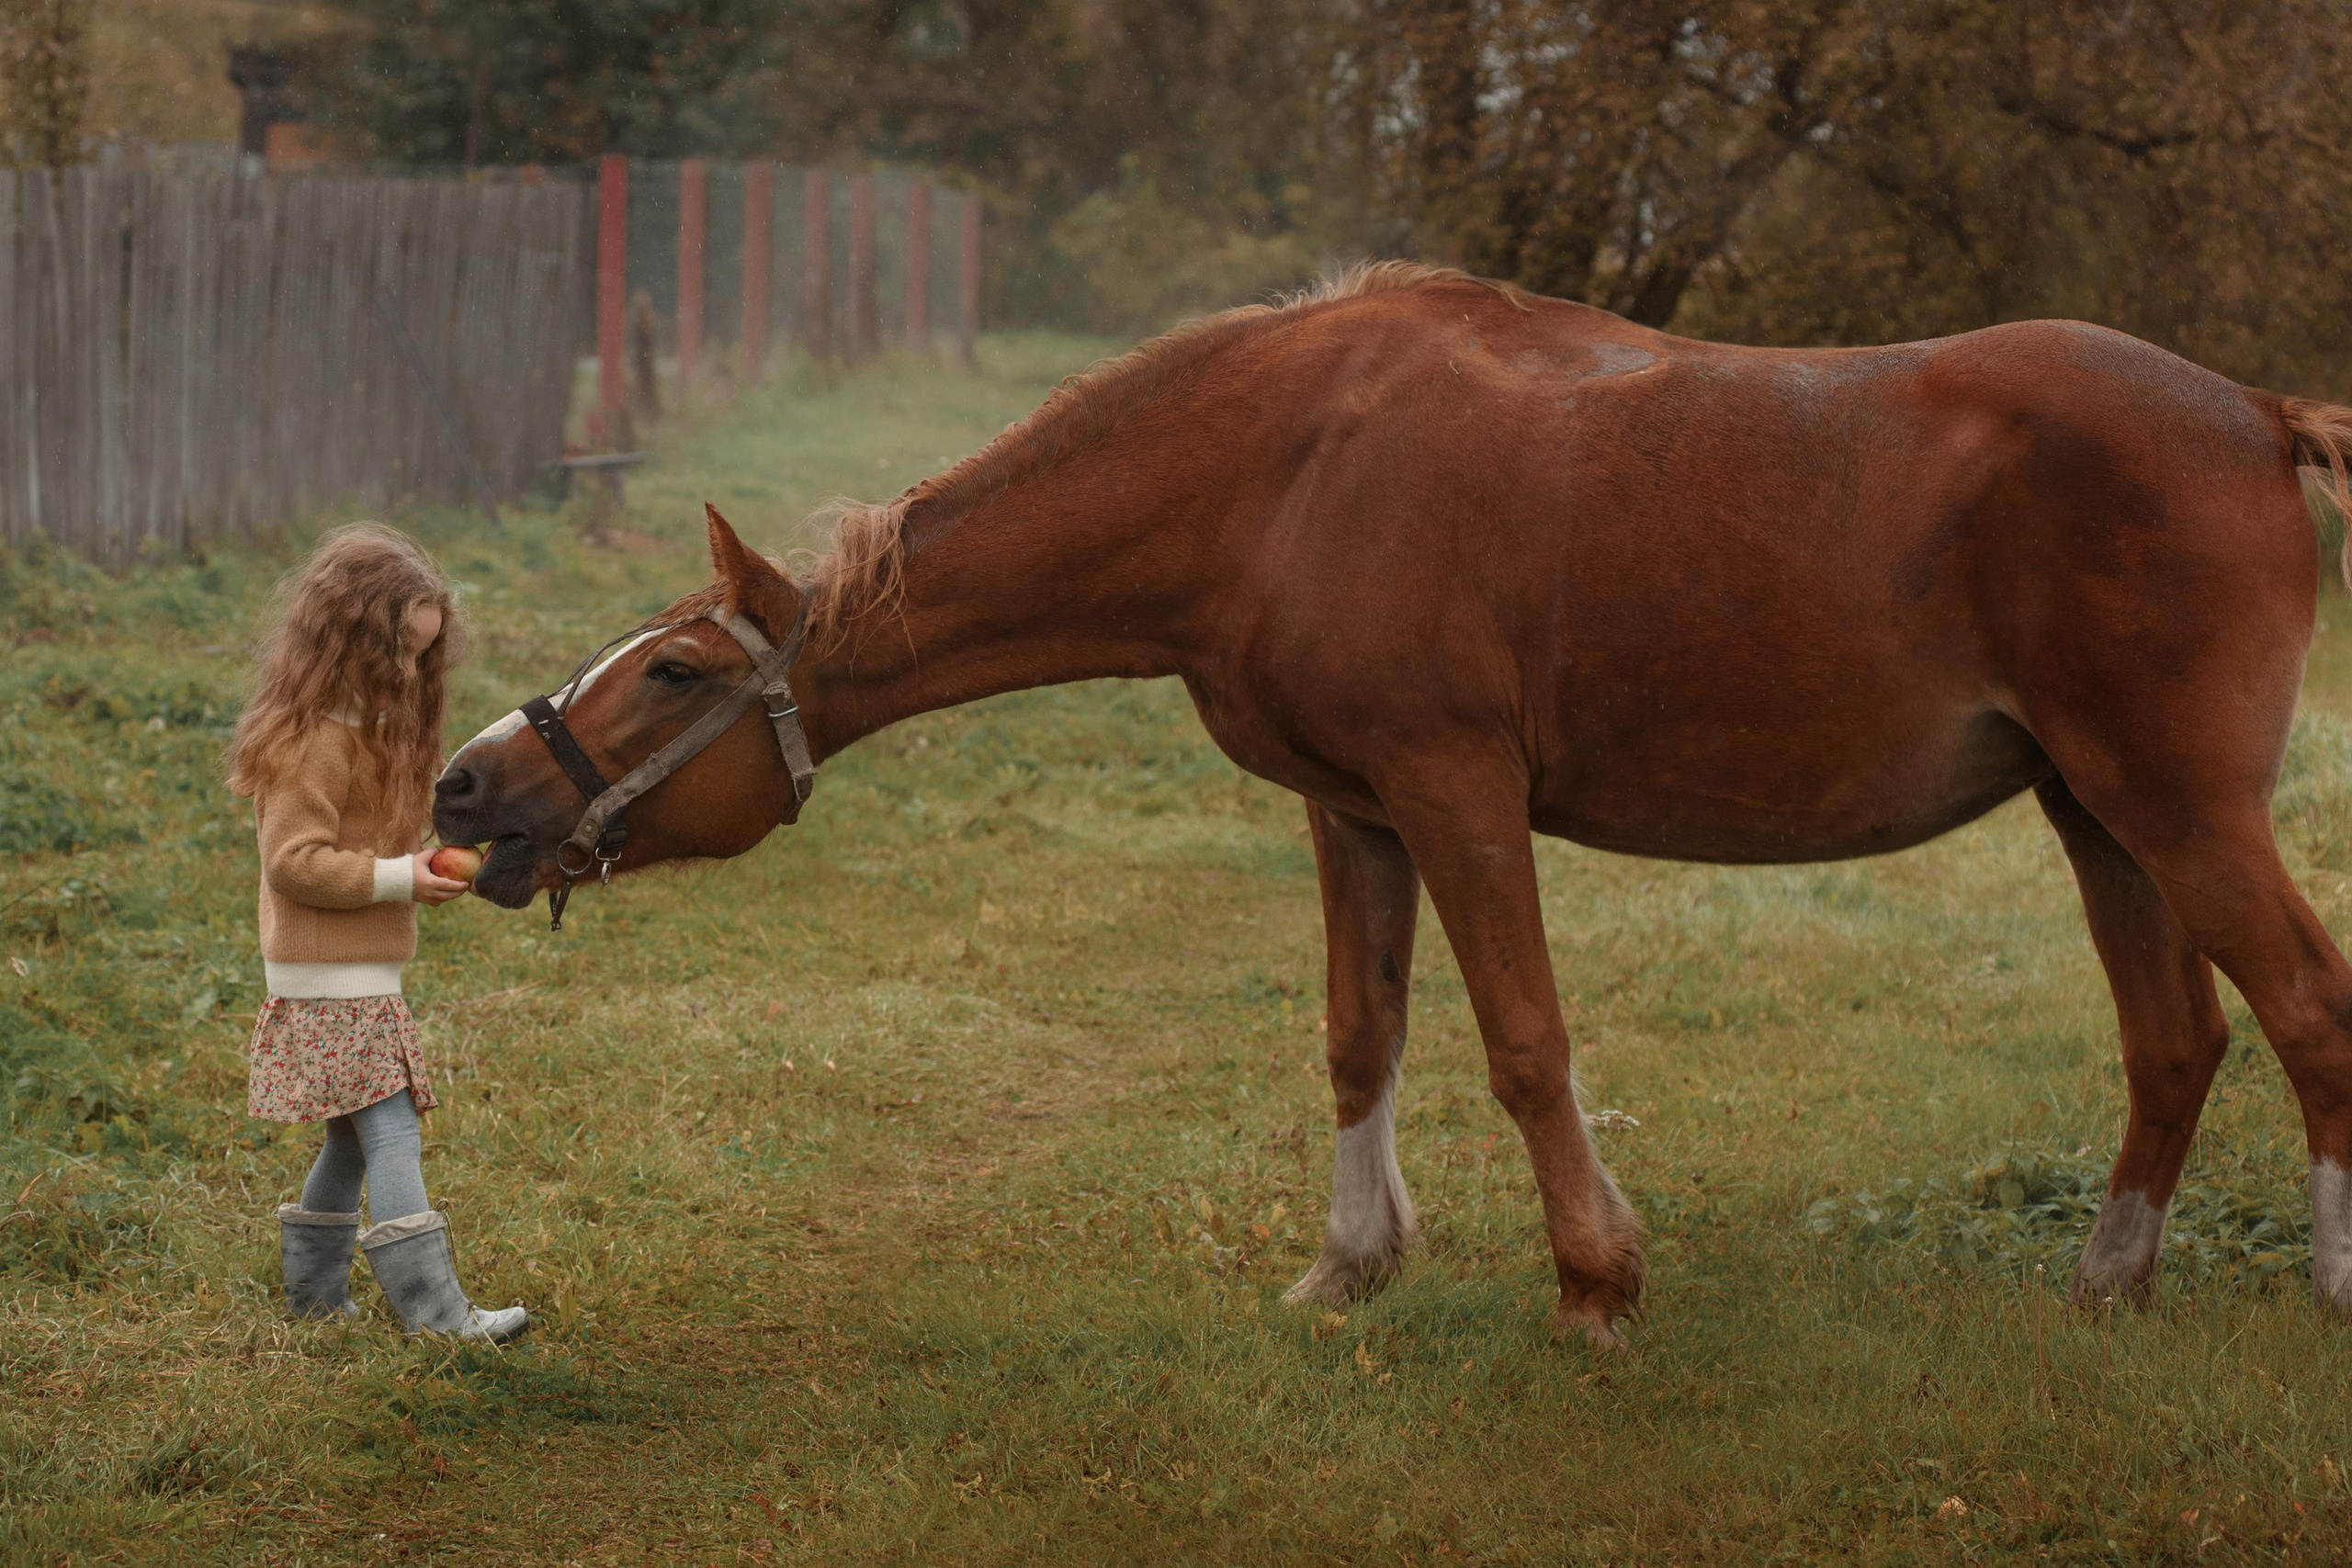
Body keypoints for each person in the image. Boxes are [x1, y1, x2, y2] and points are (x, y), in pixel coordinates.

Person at [223, 524, 526, 1342]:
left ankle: (316, 1300)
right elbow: (294, 860)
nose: (411, 670)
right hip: (331, 976)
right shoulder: (313, 736)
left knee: (353, 1142)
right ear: (348, 636)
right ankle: (436, 1315)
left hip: (354, 970)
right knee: (391, 1130)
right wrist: (399, 876)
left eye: (424, 655)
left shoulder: (359, 726)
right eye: (400, 649)